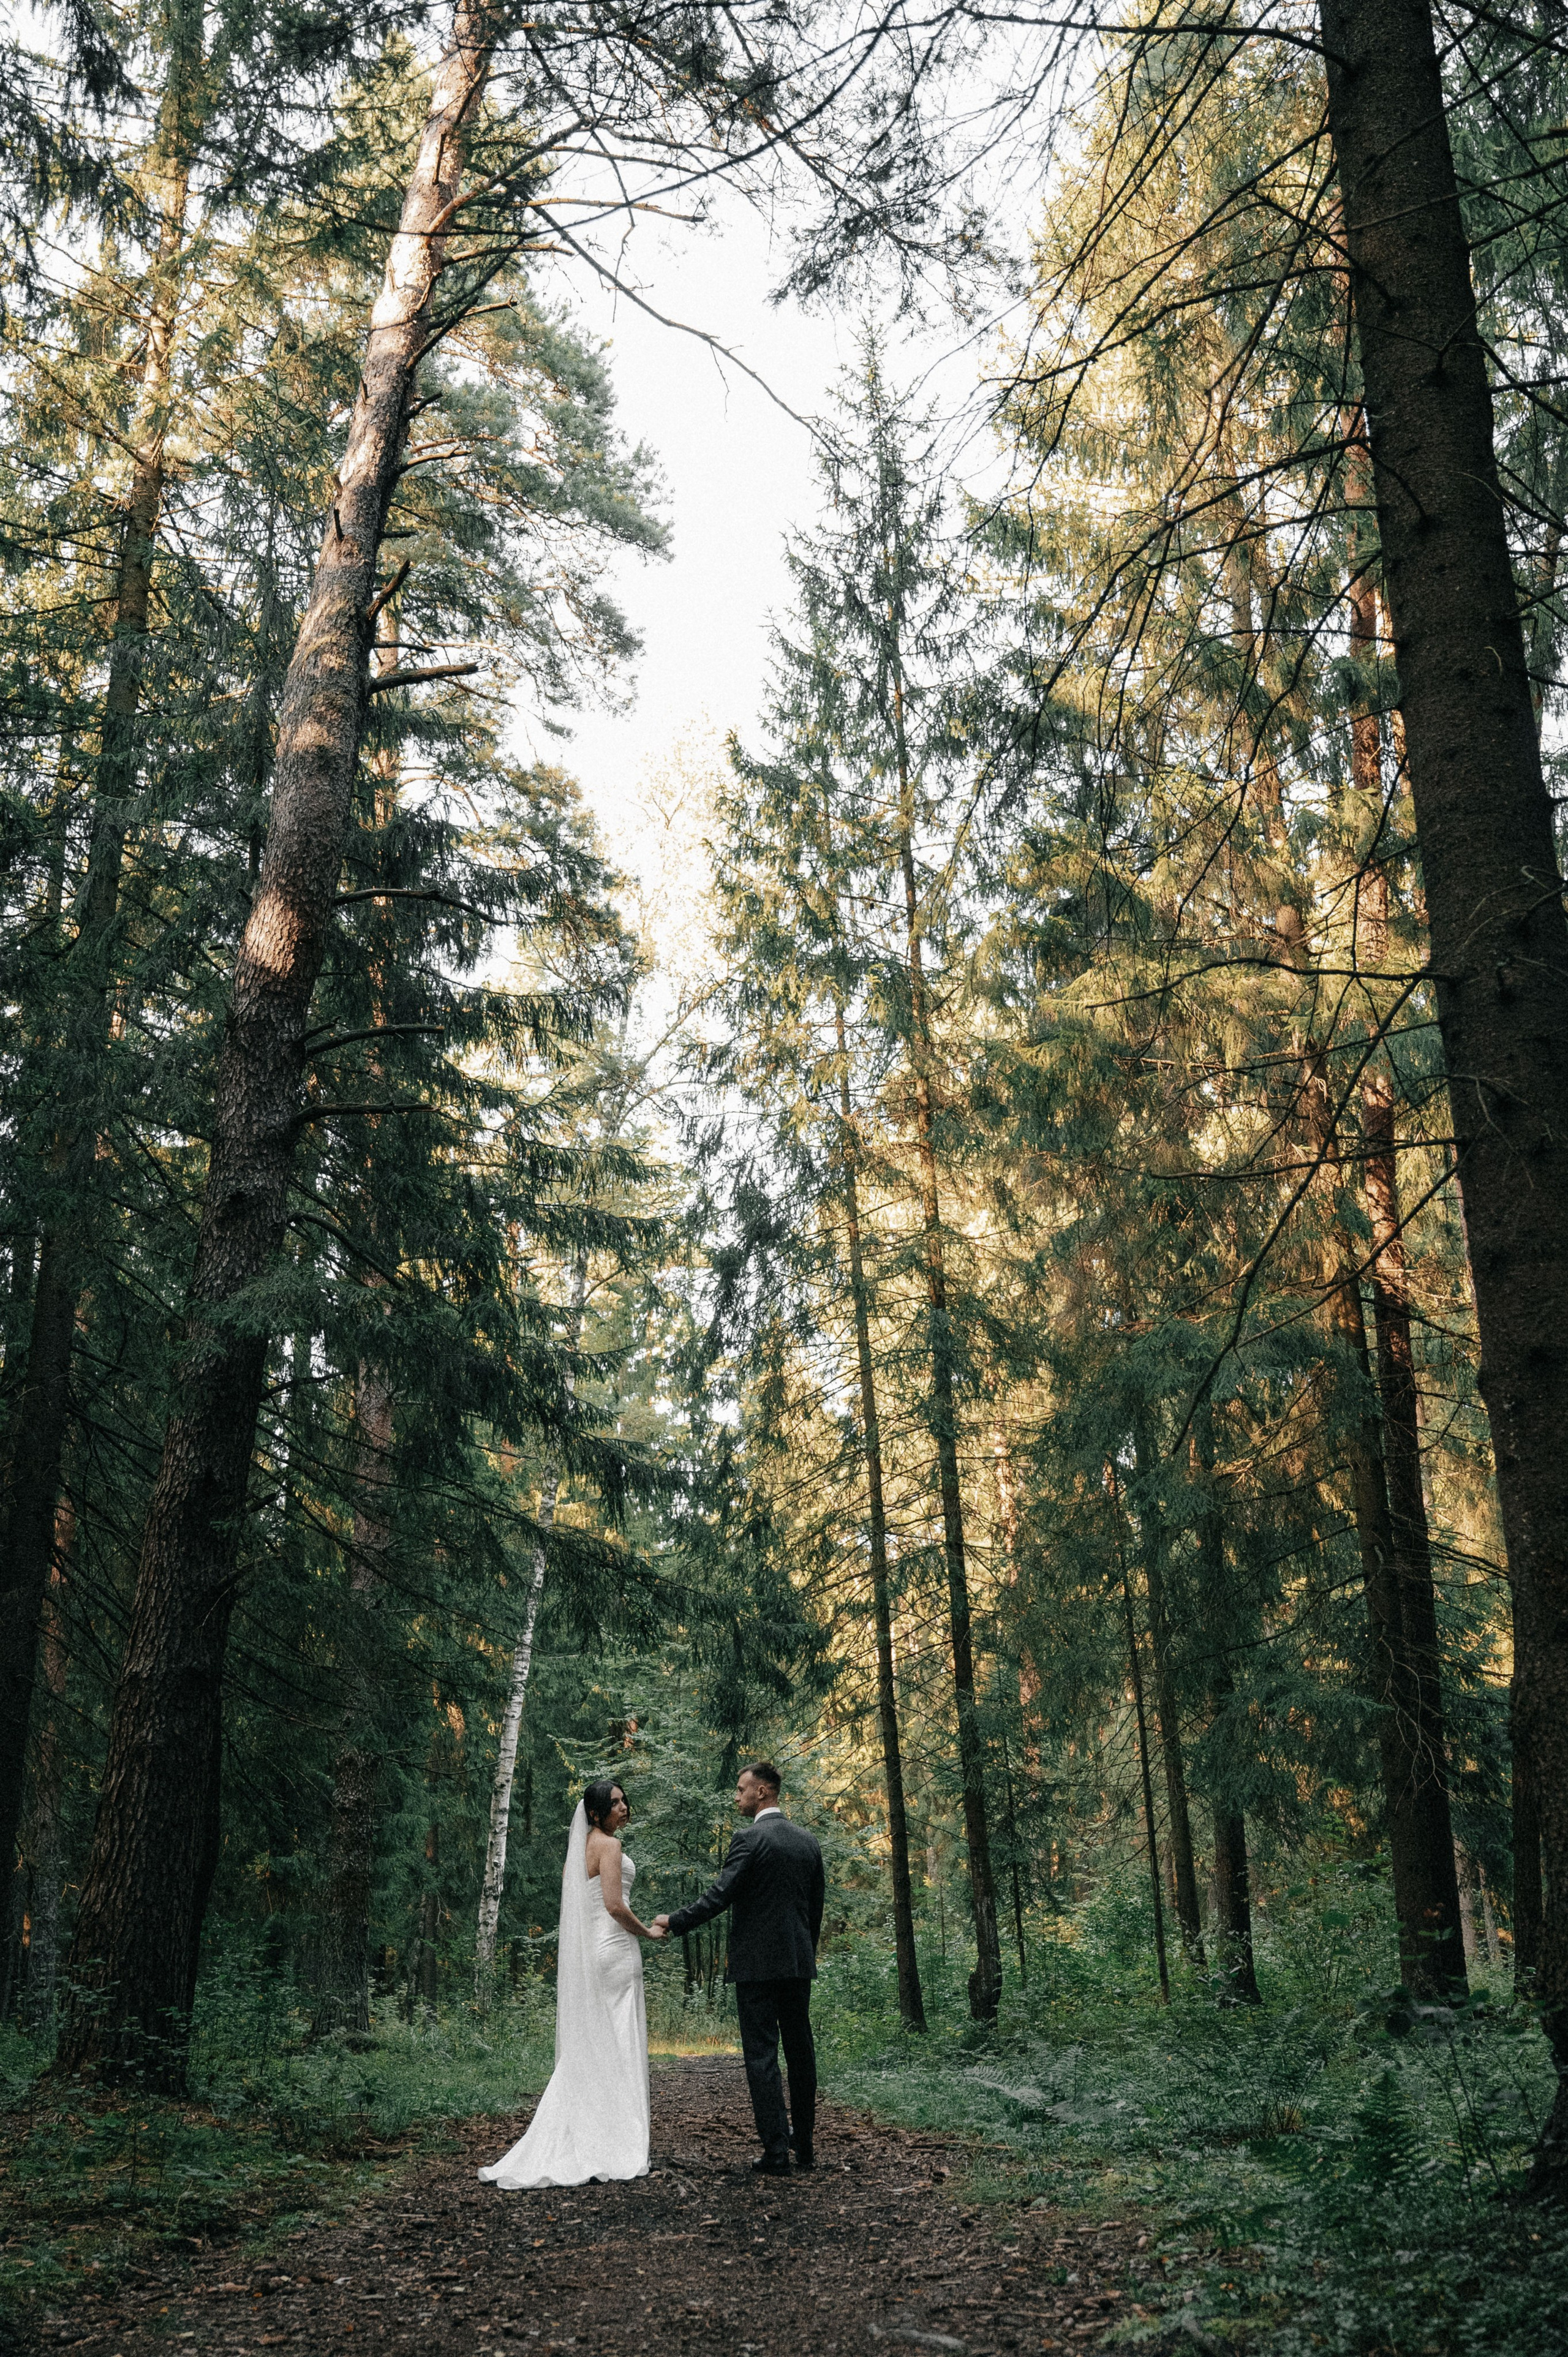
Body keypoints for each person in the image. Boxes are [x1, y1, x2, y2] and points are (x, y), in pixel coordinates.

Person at [478, 1779, 666, 2189]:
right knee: (618, 2040)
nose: (623, 1807)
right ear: (595, 1814)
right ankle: (618, 2137)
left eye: (623, 1800)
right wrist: (648, 1934)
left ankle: (592, 2129)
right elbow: (616, 1906)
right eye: (613, 1804)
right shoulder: (610, 1847)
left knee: (596, 2041)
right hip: (616, 1950)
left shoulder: (578, 1852)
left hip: (593, 1953)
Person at [654, 1760, 825, 2176]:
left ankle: (776, 2153)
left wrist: (674, 1921)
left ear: (763, 1792)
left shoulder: (749, 1840)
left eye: (741, 1788)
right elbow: (815, 1909)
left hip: (756, 1970)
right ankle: (804, 2148)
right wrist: (805, 1952)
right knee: (801, 2053)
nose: (736, 1796)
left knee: (762, 2056)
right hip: (798, 1964)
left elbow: (718, 1896)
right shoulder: (808, 1842)